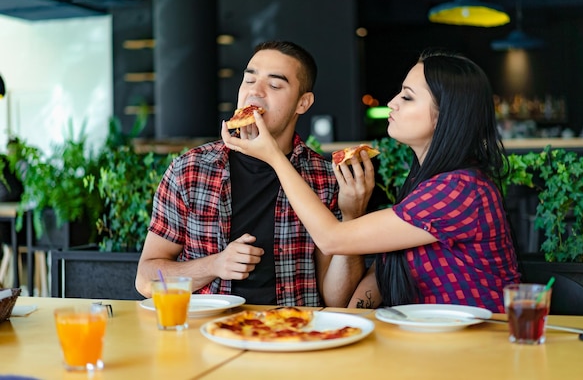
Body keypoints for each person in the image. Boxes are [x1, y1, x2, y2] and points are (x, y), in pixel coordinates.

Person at [222, 48, 521, 313]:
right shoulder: (425, 182)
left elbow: (331, 239)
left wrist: (273, 157)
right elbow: (384, 270)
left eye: (407, 96)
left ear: (446, 116)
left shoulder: (460, 190)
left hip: (480, 348)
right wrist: (350, 319)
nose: (392, 103)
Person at [135, 40, 375, 307]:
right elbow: (145, 280)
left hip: (293, 332)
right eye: (249, 80)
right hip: (207, 336)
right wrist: (215, 265)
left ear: (303, 103)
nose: (255, 92)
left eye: (274, 85)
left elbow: (336, 299)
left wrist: (353, 218)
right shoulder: (190, 169)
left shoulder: (323, 178)